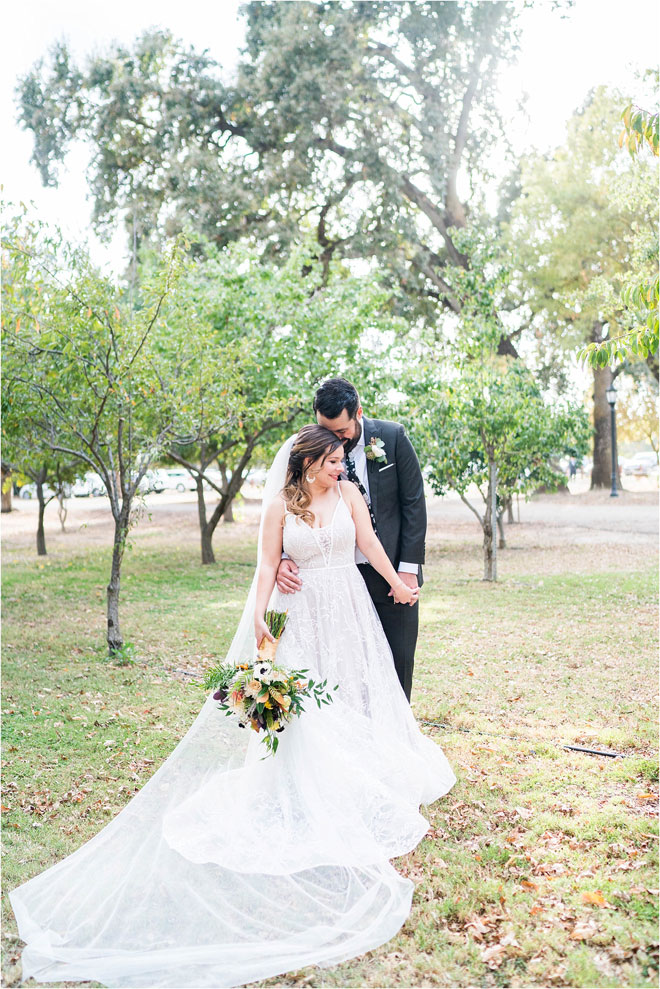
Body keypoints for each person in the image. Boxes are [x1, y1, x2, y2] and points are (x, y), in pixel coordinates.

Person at [9, 425, 455, 989]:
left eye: (344, 458)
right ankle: (310, 788)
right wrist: (263, 639)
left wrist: (397, 583)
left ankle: (360, 776)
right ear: (310, 462)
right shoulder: (277, 507)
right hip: (300, 617)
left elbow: (368, 544)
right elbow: (267, 570)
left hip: (349, 612)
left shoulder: (347, 496)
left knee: (354, 697)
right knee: (310, 713)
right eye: (334, 459)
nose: (342, 466)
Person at [278, 378, 425, 701]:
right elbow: (291, 504)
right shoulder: (313, 451)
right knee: (343, 668)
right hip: (334, 580)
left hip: (389, 570)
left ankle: (393, 737)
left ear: (358, 412)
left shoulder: (392, 437)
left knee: (397, 662)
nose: (333, 440)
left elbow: (413, 503)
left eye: (340, 433)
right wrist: (284, 557)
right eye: (325, 430)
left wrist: (407, 569)